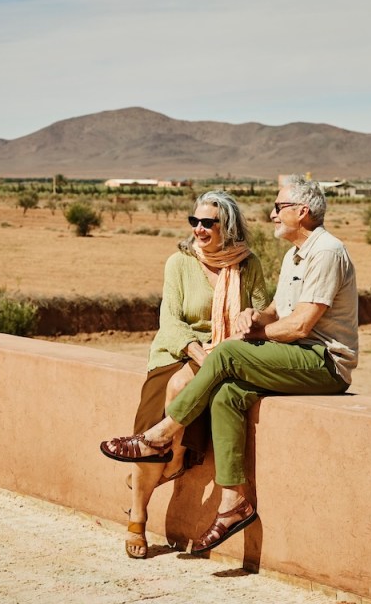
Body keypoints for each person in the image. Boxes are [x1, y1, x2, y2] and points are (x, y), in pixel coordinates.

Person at [100, 174, 358, 555]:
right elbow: (274, 311)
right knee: (228, 396)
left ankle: (161, 437)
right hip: (190, 353)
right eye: (195, 222)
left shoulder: (324, 253)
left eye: (279, 206)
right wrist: (255, 318)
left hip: (318, 359)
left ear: (301, 212)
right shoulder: (293, 254)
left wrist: (245, 337)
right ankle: (233, 502)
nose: (272, 213)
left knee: (226, 356)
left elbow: (301, 324)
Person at [114, 190, 269, 559]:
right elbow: (169, 321)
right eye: (194, 222)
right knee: (152, 419)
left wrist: (252, 320)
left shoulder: (248, 264)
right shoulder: (179, 263)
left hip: (227, 351)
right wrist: (195, 349)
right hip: (177, 351)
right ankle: (138, 516)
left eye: (208, 223)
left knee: (185, 400)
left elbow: (264, 311)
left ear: (227, 226)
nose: (199, 229)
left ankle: (178, 458)